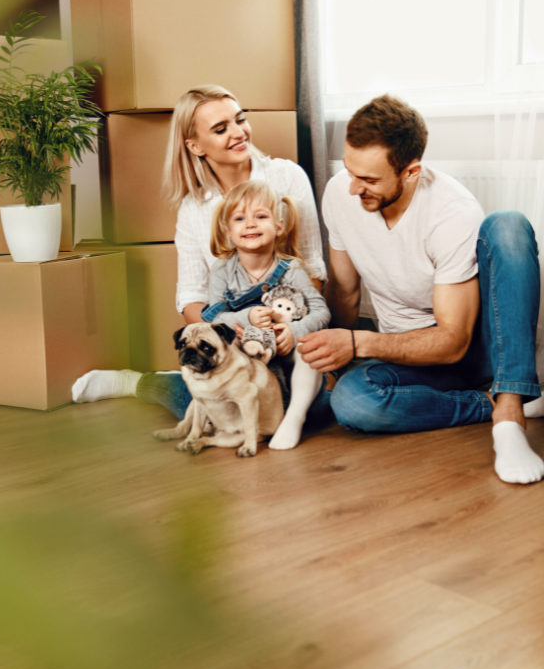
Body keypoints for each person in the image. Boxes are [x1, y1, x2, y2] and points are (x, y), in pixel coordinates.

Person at [297, 94, 544, 485]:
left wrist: (358, 344)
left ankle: (510, 410)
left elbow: (454, 342)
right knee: (352, 401)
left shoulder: (451, 211)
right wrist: (335, 365)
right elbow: (344, 290)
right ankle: (491, 402)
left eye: (369, 179)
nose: (353, 189)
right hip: (411, 359)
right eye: (350, 171)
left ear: (410, 172)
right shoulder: (340, 195)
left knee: (508, 224)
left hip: (472, 350)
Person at [72, 84, 326, 415]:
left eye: (240, 119)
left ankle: (199, 388)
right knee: (226, 409)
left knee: (311, 409)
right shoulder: (194, 208)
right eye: (221, 129)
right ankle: (140, 383)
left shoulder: (287, 177)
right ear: (194, 146)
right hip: (230, 331)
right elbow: (191, 299)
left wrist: (288, 329)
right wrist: (230, 331)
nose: (238, 133)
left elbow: (314, 270)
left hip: (289, 327)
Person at [204, 179, 330, 449]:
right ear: (228, 230)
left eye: (260, 216)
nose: (250, 224)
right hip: (246, 364)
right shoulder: (222, 271)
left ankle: (293, 416)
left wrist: (293, 333)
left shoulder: (292, 269)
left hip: (287, 360)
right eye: (240, 218)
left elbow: (321, 312)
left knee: (312, 347)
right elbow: (212, 320)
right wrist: (246, 317)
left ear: (279, 226)